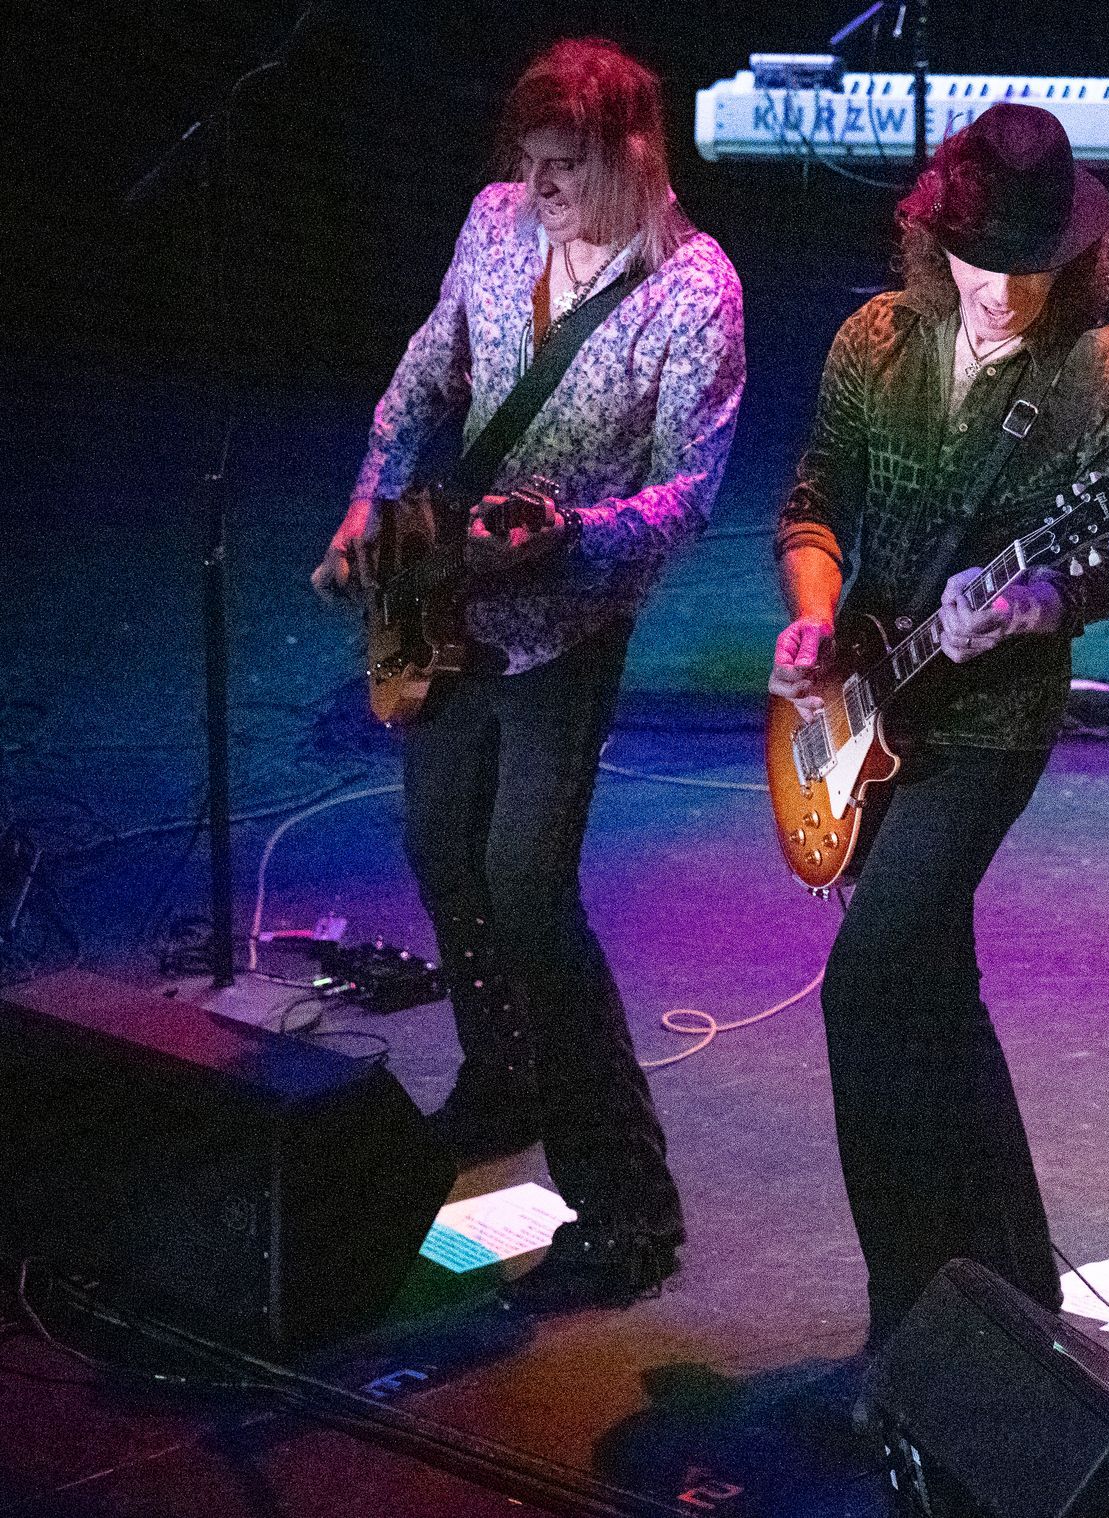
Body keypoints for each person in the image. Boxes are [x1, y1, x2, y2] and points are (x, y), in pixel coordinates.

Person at [312, 38, 744, 1312]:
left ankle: (628, 1201)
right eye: (532, 165)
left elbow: (690, 492)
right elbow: (426, 367)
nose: (541, 190)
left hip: (568, 619)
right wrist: (366, 500)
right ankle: (500, 1077)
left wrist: (572, 536)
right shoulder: (495, 227)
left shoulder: (695, 293)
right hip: (449, 596)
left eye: (568, 169)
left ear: (635, 157)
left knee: (528, 885)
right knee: (441, 844)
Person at [769, 103, 1109, 1351]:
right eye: (982, 264)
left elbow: (1105, 569)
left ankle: (906, 1312)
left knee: (867, 986)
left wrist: (1031, 601)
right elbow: (815, 500)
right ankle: (1014, 1294)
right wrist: (816, 619)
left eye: (1030, 272)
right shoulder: (871, 344)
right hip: (868, 697)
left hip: (989, 722)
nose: (1002, 293)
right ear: (937, 243)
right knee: (939, 992)